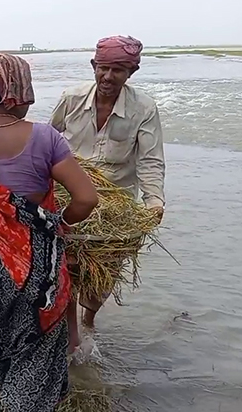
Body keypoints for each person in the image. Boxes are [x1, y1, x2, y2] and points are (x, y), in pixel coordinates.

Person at [0, 54, 98, 411]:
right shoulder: (45, 137)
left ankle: (6, 394)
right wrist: (58, 223)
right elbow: (87, 198)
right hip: (32, 261)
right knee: (37, 348)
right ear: (17, 92)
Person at [49, 35, 166, 331]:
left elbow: (150, 160)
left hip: (116, 199)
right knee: (67, 263)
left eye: (118, 70)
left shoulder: (144, 108)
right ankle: (70, 328)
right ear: (93, 66)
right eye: (103, 68)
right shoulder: (72, 99)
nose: (108, 76)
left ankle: (88, 322)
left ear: (131, 72)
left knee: (107, 268)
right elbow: (46, 139)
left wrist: (154, 200)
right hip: (71, 194)